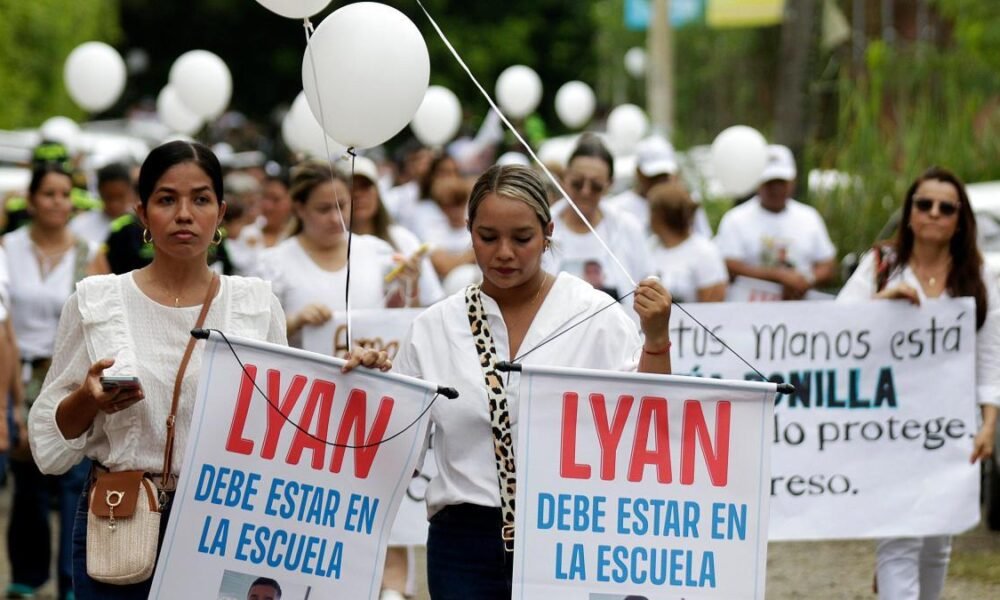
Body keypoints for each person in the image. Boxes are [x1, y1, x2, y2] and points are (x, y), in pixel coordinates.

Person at [390, 164, 672, 598]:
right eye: (488, 237)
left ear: (548, 232)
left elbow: (649, 421)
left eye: (522, 238)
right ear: (468, 232)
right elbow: (395, 451)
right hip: (462, 544)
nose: (504, 252)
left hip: (572, 533)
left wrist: (656, 339)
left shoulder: (593, 315)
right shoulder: (433, 328)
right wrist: (370, 385)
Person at [27, 141, 289, 598]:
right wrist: (89, 397)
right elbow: (53, 441)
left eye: (200, 199)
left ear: (221, 212)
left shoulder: (254, 305)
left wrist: (356, 373)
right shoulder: (97, 301)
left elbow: (286, 422)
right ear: (142, 214)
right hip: (119, 519)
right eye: (167, 199)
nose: (184, 214)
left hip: (221, 529)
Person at [838, 167, 999, 600]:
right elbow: (831, 331)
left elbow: (989, 357)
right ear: (909, 213)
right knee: (900, 536)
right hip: (887, 424)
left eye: (946, 208)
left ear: (960, 220)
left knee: (937, 540)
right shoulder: (882, 266)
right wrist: (881, 302)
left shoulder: (980, 279)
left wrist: (987, 425)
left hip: (950, 425)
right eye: (923, 204)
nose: (933, 213)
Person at [4, 160, 100, 600]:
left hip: (68, 377)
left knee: (72, 479)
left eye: (65, 194)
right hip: (19, 371)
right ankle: (27, 573)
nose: (58, 202)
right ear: (31, 200)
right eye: (49, 194)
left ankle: (70, 581)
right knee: (28, 479)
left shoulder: (88, 251)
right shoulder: (8, 248)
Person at [255, 161, 414, 348]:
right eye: (323, 209)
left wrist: (411, 283)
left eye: (342, 206)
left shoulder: (377, 252)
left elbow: (403, 321)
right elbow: (255, 336)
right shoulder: (273, 264)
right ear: (299, 209)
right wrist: (294, 322)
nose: (335, 218)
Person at [714, 144, 836, 299]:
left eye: (781, 182)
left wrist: (807, 280)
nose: (776, 189)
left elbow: (828, 265)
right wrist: (779, 276)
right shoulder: (735, 219)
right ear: (757, 182)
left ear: (793, 181)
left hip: (801, 310)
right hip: (748, 312)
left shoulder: (809, 217)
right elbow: (729, 265)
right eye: (770, 183)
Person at [544, 133, 650, 302]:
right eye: (577, 183)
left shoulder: (627, 228)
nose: (586, 191)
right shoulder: (542, 226)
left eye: (596, 186)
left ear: (609, 184)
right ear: (565, 178)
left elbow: (646, 285)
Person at [347, 156, 444, 307]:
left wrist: (412, 287)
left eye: (365, 186)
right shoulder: (331, 248)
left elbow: (431, 304)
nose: (358, 195)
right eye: (350, 188)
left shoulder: (403, 239)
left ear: (377, 192)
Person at [606, 135, 712, 238]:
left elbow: (704, 240)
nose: (659, 182)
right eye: (653, 176)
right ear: (638, 173)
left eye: (664, 175)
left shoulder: (685, 203)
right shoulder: (617, 208)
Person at [647, 182, 728, 302]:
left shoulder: (705, 252)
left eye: (651, 210)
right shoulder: (649, 246)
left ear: (660, 215)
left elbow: (712, 305)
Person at [70, 162, 136, 245]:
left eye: (120, 196)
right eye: (109, 197)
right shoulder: (79, 225)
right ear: (100, 191)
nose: (114, 204)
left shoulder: (141, 223)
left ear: (130, 190)